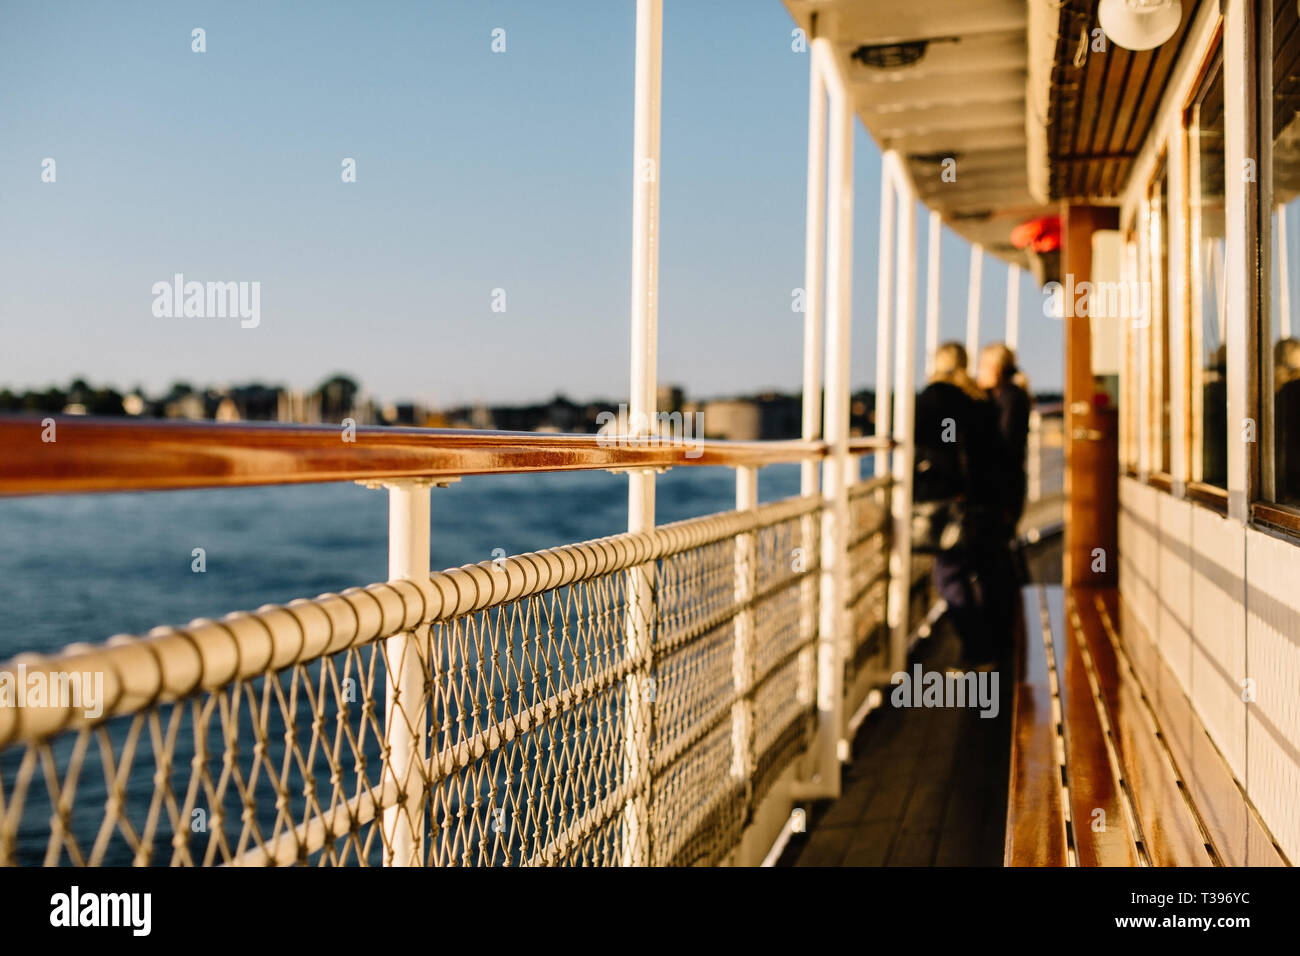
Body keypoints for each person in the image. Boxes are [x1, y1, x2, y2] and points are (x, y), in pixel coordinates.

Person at [914, 342, 1006, 668]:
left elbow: (929, 445)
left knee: (949, 576)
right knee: (975, 570)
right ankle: (987, 649)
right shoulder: (976, 400)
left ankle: (979, 651)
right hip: (977, 501)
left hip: (945, 500)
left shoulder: (931, 399)